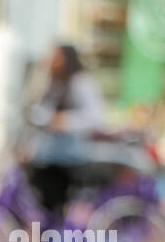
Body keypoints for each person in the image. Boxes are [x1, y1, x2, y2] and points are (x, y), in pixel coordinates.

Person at [25, 43, 106, 220]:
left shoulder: (81, 83)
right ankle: (49, 240)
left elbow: (95, 118)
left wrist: (64, 121)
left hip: (68, 157)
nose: (51, 61)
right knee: (43, 202)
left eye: (56, 57)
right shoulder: (51, 82)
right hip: (47, 156)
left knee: (58, 203)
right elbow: (38, 112)